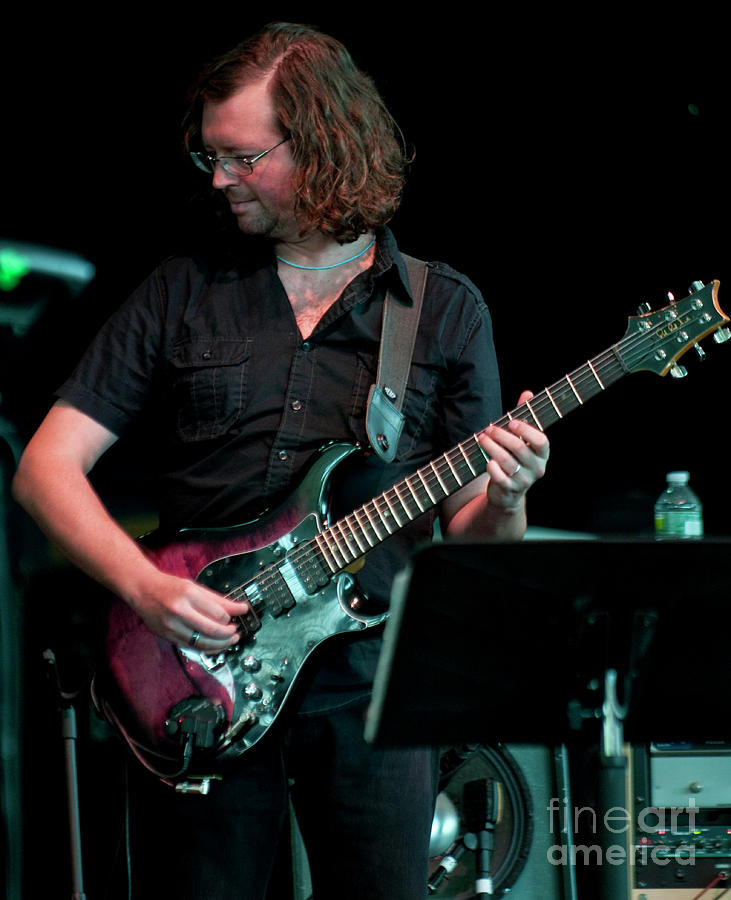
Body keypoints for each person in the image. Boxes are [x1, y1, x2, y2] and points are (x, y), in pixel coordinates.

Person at [12, 22, 550, 900]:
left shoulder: (443, 310)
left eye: (242, 157)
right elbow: (44, 469)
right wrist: (147, 590)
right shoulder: (182, 288)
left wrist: (511, 493)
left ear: (326, 146)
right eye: (210, 158)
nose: (220, 179)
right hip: (193, 681)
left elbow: (475, 549)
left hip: (371, 696)